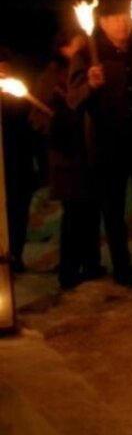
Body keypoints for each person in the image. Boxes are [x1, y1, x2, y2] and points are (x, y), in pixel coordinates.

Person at [68, 0, 132, 286]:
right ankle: (123, 268)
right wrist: (90, 84)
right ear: (102, 23)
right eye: (114, 18)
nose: (122, 24)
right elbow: (75, 101)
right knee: (113, 207)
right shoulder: (87, 55)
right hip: (107, 143)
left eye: (125, 17)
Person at [31, 26, 103, 289]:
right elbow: (37, 117)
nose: (81, 48)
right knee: (73, 215)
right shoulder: (51, 77)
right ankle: (69, 271)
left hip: (89, 151)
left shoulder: (86, 70)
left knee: (92, 210)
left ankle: (92, 264)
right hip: (67, 156)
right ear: (63, 48)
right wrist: (57, 124)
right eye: (76, 44)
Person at [0, 51, 38, 274]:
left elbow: (28, 123)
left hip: (18, 163)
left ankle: (16, 255)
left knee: (18, 210)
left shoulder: (16, 95)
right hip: (3, 166)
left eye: (6, 68)